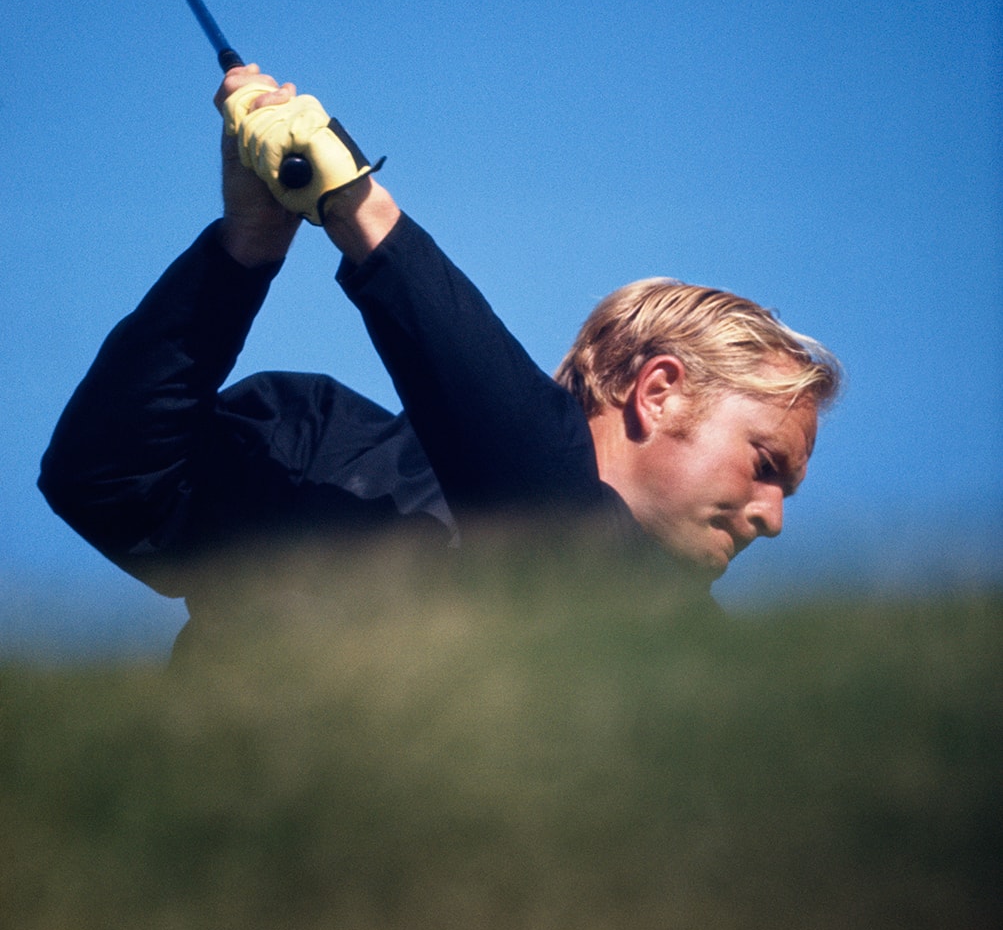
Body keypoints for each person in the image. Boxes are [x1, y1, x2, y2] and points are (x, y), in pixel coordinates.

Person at [39, 66, 840, 645]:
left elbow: (548, 511)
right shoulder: (320, 444)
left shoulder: (682, 646)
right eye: (765, 464)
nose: (771, 520)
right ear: (658, 391)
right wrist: (245, 247)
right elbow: (106, 482)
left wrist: (356, 207)